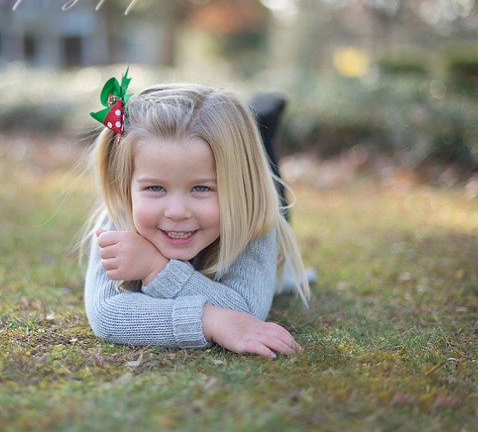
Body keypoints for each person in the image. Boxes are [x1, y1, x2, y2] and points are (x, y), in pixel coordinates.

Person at [83, 70, 310, 358]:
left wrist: (157, 270)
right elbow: (108, 314)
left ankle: (263, 122)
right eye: (155, 187)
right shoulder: (118, 216)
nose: (176, 212)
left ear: (241, 191)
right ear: (125, 185)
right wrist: (209, 320)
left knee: (266, 173)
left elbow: (245, 313)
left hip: (246, 211)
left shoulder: (254, 220)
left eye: (201, 188)